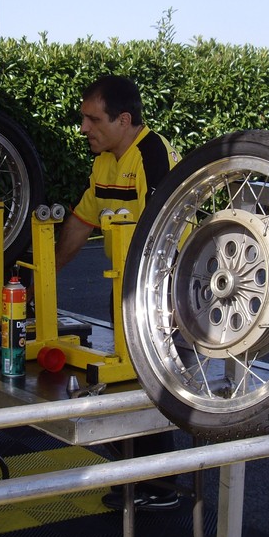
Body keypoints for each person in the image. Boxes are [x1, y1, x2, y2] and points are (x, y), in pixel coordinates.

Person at [54, 75, 183, 512]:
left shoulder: (152, 154)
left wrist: (153, 302)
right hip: (126, 288)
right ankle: (141, 479)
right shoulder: (105, 162)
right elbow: (80, 220)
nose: (84, 127)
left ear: (123, 119)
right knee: (130, 380)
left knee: (151, 384)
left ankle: (161, 486)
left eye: (92, 119)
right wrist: (43, 274)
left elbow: (165, 227)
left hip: (159, 289)